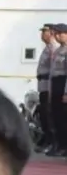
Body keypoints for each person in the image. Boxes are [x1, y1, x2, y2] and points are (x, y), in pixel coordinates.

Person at [35, 23, 58, 153]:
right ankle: (47, 140)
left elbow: (53, 70)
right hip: (42, 86)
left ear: (52, 33)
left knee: (49, 116)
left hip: (48, 86)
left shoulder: (53, 48)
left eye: (45, 31)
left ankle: (52, 141)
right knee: (43, 115)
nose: (42, 34)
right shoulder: (47, 48)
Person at [49, 24, 67, 157]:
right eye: (56, 33)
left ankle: (64, 146)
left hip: (63, 84)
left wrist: (66, 92)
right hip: (55, 84)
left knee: (63, 118)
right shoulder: (59, 50)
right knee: (56, 117)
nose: (57, 36)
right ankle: (59, 145)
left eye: (60, 33)